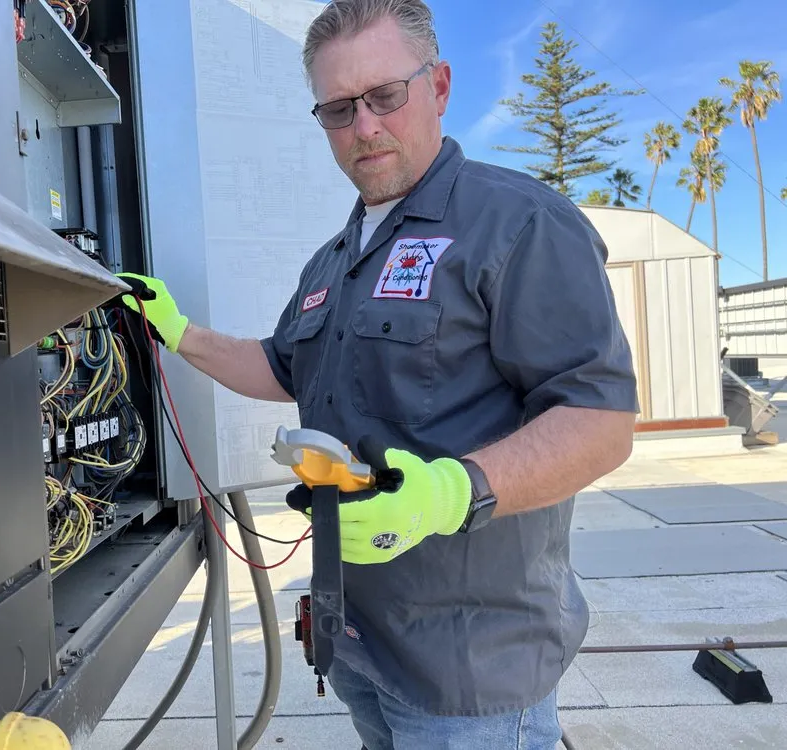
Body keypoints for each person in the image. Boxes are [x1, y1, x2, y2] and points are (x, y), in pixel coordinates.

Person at [118, 1, 639, 747]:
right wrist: (180, 332)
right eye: (339, 109)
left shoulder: (520, 223)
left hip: (470, 666)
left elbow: (600, 423)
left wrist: (450, 493)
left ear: (439, 86)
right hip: (361, 639)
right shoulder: (334, 261)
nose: (364, 127)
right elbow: (280, 366)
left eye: (385, 96)